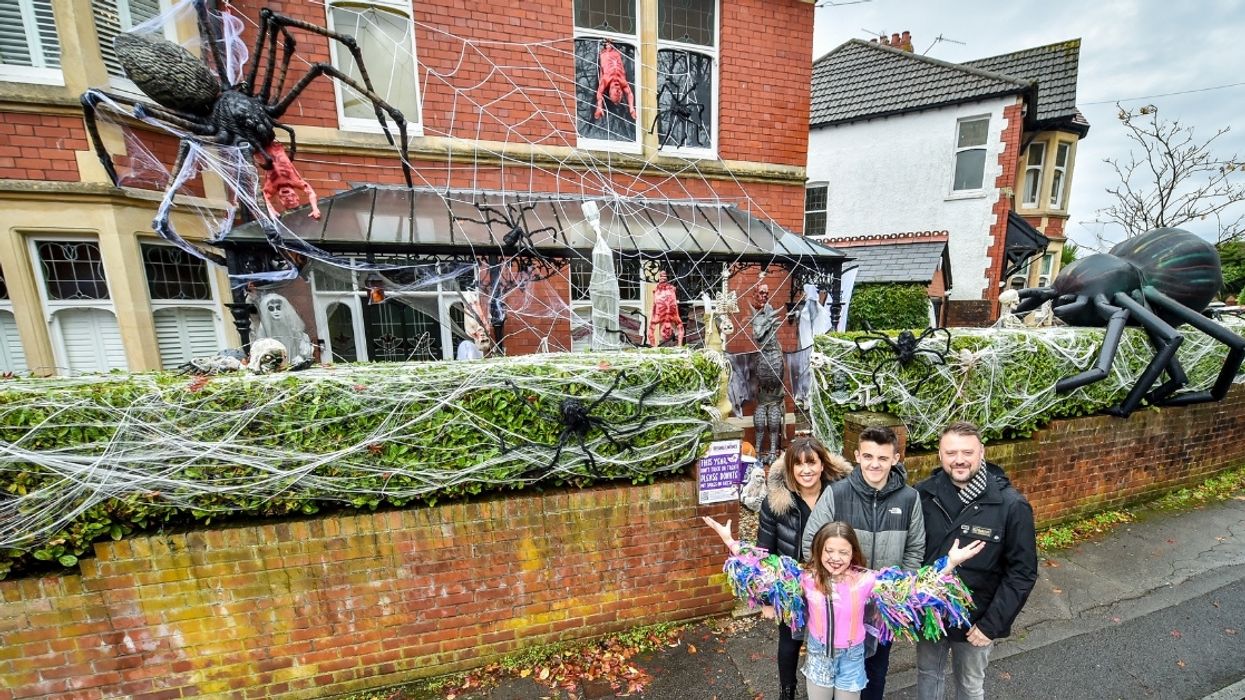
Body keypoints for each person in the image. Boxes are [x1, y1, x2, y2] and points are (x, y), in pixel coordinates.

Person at [704, 518, 983, 700]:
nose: (835, 558)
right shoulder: (806, 578)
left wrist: (949, 564)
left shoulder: (866, 581)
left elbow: (911, 589)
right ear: (819, 551)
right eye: (829, 551)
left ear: (853, 554)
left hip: (852, 657)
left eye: (843, 552)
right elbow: (763, 571)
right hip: (818, 656)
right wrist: (731, 543)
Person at [915, 421, 1038, 700]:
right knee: (928, 676)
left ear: (981, 452)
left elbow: (1022, 572)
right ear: (940, 454)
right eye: (951, 452)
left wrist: (991, 625)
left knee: (970, 686)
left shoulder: (1011, 505)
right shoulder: (922, 495)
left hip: (976, 621)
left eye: (967, 452)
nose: (959, 460)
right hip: (930, 613)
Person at [801, 425, 924, 700]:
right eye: (868, 456)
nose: (874, 464)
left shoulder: (909, 498)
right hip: (841, 609)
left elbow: (915, 550)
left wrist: (896, 596)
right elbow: (811, 542)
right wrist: (831, 585)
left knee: (876, 672)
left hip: (882, 608)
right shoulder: (837, 494)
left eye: (883, 458)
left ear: (895, 459)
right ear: (857, 456)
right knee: (832, 671)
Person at [756, 437, 853, 700]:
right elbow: (764, 552)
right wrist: (766, 598)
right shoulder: (775, 502)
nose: (806, 470)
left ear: (822, 465)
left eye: (811, 462)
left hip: (833, 583)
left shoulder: (840, 495)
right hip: (792, 585)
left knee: (831, 641)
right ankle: (787, 691)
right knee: (790, 642)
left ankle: (830, 688)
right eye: (798, 464)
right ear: (790, 468)